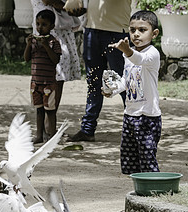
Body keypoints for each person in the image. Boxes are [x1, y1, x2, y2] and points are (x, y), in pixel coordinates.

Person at [102, 10, 161, 174]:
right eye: (132, 30)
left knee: (148, 160)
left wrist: (126, 50)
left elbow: (138, 59)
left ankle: (153, 193)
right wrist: (112, 90)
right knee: (130, 162)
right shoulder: (129, 55)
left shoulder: (152, 54)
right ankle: (140, 191)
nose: (136, 34)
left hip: (147, 117)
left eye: (142, 30)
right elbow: (126, 80)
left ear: (154, 33)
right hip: (130, 115)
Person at [67, 0, 132, 142]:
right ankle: (87, 129)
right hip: (92, 31)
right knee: (93, 82)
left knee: (124, 82)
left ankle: (136, 127)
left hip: (117, 33)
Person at [30, 0, 81, 144]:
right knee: (53, 79)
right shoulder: (46, 30)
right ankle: (46, 130)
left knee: (56, 80)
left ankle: (48, 130)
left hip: (58, 30)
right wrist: (69, 7)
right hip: (53, 30)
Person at [24, 9, 62, 144]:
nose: (40, 28)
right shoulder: (34, 41)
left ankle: (52, 136)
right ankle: (39, 135)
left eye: (44, 24)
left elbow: (55, 60)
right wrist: (28, 44)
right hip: (35, 83)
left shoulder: (53, 42)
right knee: (39, 110)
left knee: (50, 111)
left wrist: (46, 46)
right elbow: (26, 58)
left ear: (52, 26)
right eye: (38, 24)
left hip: (49, 84)